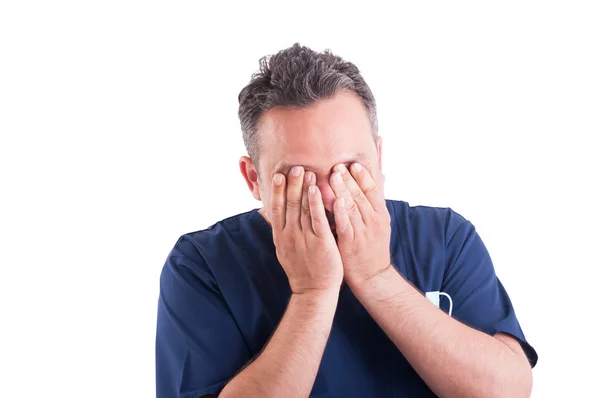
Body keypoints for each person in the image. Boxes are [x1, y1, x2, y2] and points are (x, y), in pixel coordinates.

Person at [155, 43, 538, 398]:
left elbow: (508, 390)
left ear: (379, 157)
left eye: (349, 170)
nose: (328, 196)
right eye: (298, 177)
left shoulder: (444, 237)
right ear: (253, 178)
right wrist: (312, 296)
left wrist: (378, 279)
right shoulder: (203, 264)